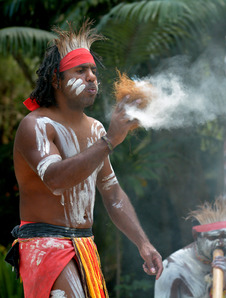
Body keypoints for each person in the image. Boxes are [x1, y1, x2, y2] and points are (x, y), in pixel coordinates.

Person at [5, 20, 163, 298]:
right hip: (46, 244)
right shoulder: (36, 126)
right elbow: (55, 179)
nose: (91, 76)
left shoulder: (95, 130)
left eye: (92, 70)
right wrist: (110, 141)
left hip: (85, 246)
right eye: (80, 70)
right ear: (56, 80)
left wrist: (143, 243)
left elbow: (112, 195)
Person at [154, 198, 226, 298]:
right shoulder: (171, 268)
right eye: (213, 238)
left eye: (224, 236)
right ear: (196, 237)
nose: (220, 243)